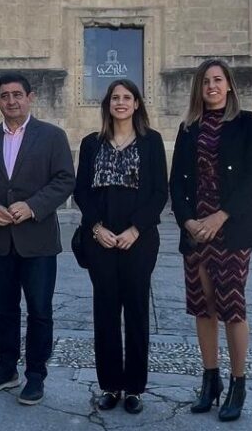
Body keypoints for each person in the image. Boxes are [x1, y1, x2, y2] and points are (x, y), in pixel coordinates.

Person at [169, 58, 252, 423]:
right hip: (196, 230)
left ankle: (237, 383)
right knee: (203, 304)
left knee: (232, 305)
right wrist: (189, 221)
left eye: (218, 80)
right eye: (206, 81)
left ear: (228, 85)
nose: (211, 86)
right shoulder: (188, 128)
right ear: (199, 88)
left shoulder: (245, 123)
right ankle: (209, 380)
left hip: (232, 227)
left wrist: (220, 216)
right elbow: (177, 183)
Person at [0, 73, 75, 406]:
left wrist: (32, 206)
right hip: (1, 240)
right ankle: (5, 367)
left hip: (38, 240)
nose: (11, 101)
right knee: (3, 307)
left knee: (39, 310)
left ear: (31, 97)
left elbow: (64, 180)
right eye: (4, 96)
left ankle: (35, 374)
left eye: (17, 94)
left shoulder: (52, 137)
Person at [73, 80, 167, 415]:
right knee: (106, 313)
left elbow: (159, 193)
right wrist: (96, 228)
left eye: (127, 97)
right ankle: (111, 385)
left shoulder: (151, 142)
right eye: (115, 98)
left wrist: (135, 229)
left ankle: (134, 389)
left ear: (138, 104)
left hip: (138, 241)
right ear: (107, 105)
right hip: (100, 240)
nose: (121, 102)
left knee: (137, 312)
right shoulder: (91, 143)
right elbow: (81, 192)